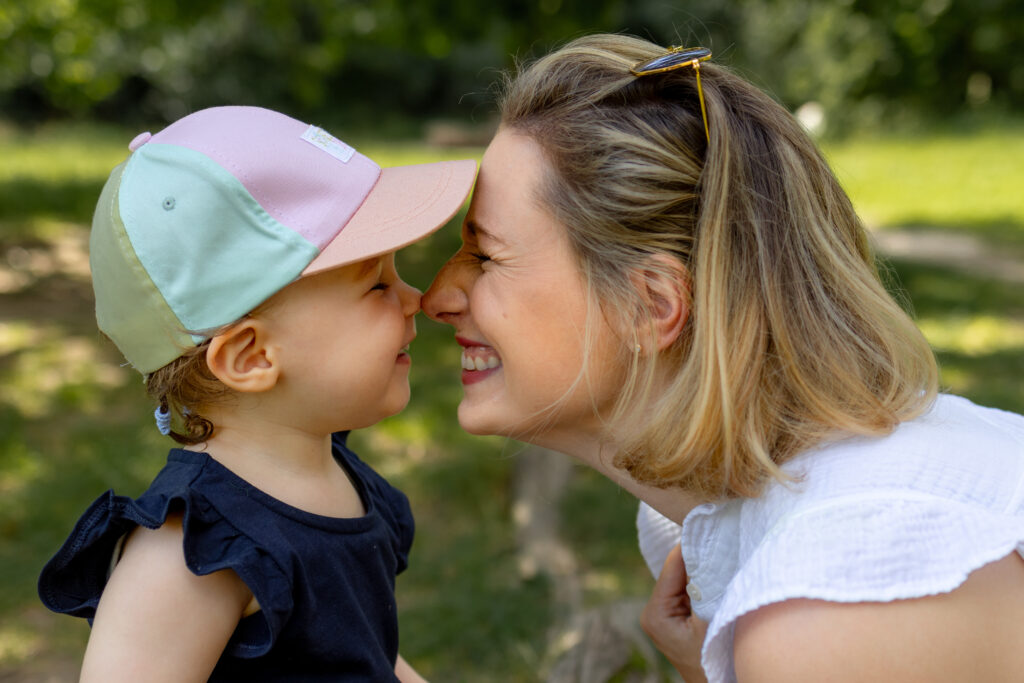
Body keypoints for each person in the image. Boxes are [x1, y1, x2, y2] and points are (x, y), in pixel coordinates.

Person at [421, 34, 1024, 682]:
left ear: (649, 305)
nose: (437, 297)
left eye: (486, 257)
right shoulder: (736, 524)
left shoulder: (834, 601)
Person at [37, 105, 475, 681]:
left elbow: (364, 654)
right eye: (376, 284)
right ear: (252, 357)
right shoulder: (194, 554)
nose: (415, 296)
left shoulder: (333, 475)